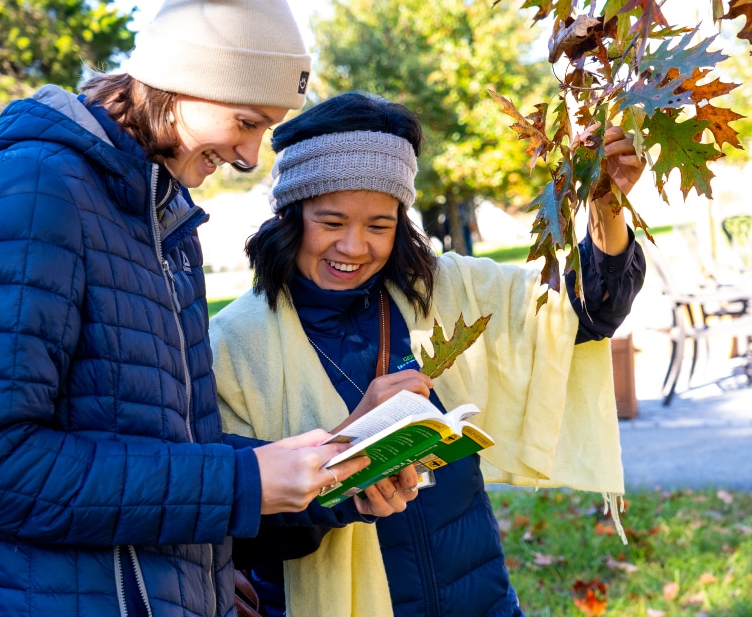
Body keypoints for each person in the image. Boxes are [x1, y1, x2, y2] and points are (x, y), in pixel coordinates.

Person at [0, 0, 416, 617]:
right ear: (185, 82)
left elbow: (172, 468)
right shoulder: (35, 190)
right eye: (247, 121)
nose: (249, 155)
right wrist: (241, 479)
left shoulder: (168, 227)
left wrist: (332, 478)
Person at [210, 92, 648, 616]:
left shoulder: (446, 291)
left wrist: (606, 205)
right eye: (330, 222)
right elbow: (244, 531)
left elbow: (583, 314)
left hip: (478, 599)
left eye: (379, 225)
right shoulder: (231, 346)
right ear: (291, 214)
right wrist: (346, 459)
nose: (354, 247)